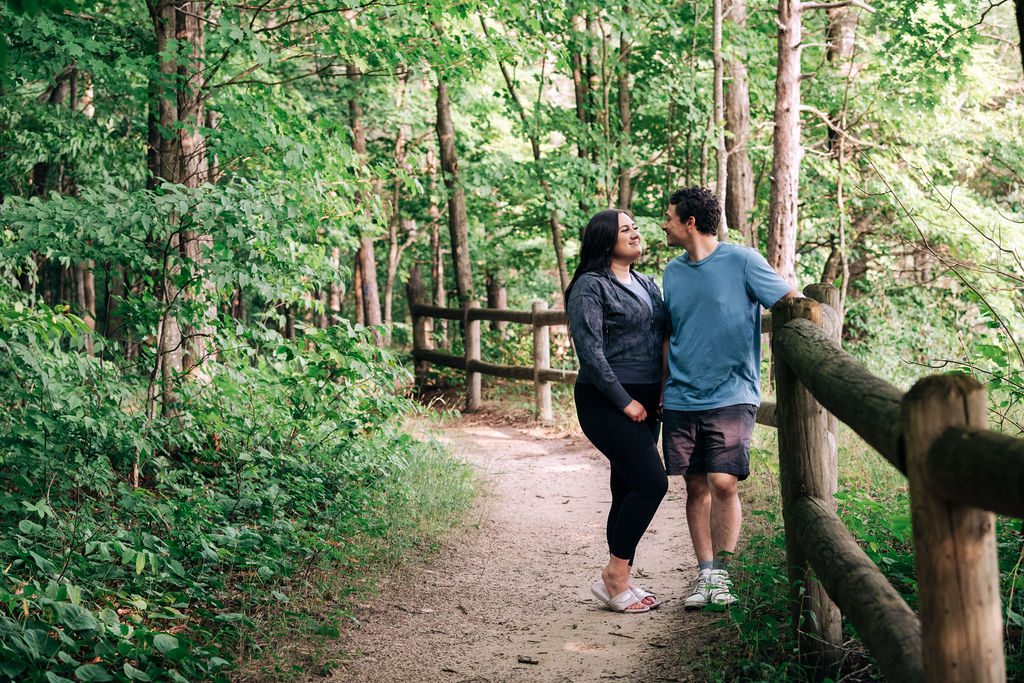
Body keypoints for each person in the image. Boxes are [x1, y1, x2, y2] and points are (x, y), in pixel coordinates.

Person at [660, 187, 800, 609]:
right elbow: (671, 332)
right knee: (695, 486)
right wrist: (665, 384)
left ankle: (722, 576)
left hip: (732, 392)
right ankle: (704, 576)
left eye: (668, 217)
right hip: (682, 395)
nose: (663, 225)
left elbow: (789, 300)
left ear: (689, 222)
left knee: (724, 482)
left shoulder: (742, 261)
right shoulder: (672, 271)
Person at [566, 209, 668, 614]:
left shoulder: (647, 283)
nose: (635, 233)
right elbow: (589, 352)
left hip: (649, 398)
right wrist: (624, 401)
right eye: (625, 229)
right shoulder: (590, 286)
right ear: (605, 240)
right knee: (652, 483)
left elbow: (662, 337)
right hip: (606, 398)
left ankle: (618, 581)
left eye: (635, 228)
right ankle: (615, 575)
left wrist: (661, 390)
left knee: (626, 488)